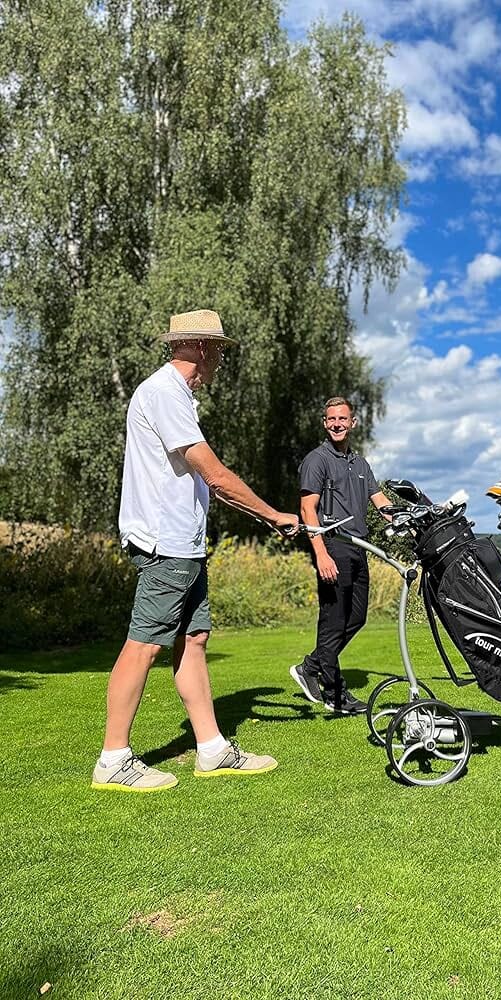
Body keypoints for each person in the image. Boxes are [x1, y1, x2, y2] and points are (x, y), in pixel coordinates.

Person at [91, 309, 299, 793]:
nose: (221, 360)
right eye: (220, 350)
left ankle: (211, 748)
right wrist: (275, 514)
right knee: (143, 645)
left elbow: (212, 487)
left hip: (183, 542)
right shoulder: (165, 393)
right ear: (203, 348)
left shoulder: (175, 395)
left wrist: (264, 516)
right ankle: (113, 758)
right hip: (166, 543)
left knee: (194, 640)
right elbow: (216, 474)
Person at [290, 397, 391, 714]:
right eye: (331, 418)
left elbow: (380, 501)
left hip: (359, 549)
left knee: (356, 617)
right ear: (324, 423)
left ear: (353, 423)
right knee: (333, 622)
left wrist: (409, 519)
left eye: (342, 418)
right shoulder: (316, 460)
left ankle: (310, 666)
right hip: (333, 545)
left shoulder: (360, 464)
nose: (336, 423)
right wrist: (321, 554)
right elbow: (307, 508)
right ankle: (335, 694)